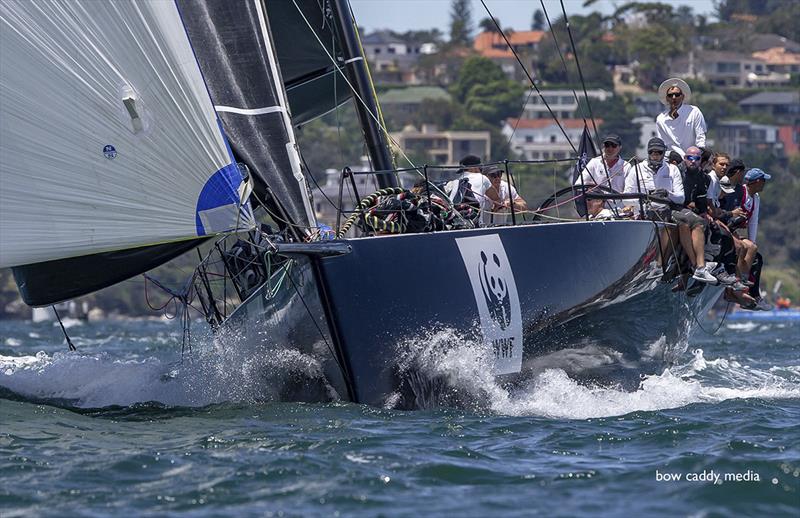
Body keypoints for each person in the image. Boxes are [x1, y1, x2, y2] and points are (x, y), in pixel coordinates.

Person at [670, 146, 717, 284]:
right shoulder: (676, 171)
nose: (693, 161)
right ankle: (697, 266)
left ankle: (703, 265)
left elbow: (701, 202)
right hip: (674, 208)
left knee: (709, 225)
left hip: (690, 212)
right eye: (690, 158)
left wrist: (703, 212)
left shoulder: (703, 178)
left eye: (697, 159)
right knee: (694, 222)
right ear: (685, 158)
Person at [655, 78, 707, 157]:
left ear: (682, 96)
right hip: (672, 158)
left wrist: (698, 153)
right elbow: (663, 143)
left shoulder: (694, 112)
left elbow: (700, 137)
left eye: (677, 94)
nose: (674, 97)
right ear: (667, 98)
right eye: (670, 95)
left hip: (693, 157)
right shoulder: (661, 119)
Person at [445, 155, 500, 224]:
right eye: (480, 168)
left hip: (455, 220)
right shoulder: (483, 178)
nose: (481, 170)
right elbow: (496, 199)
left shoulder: (456, 181)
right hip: (474, 223)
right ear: (473, 168)